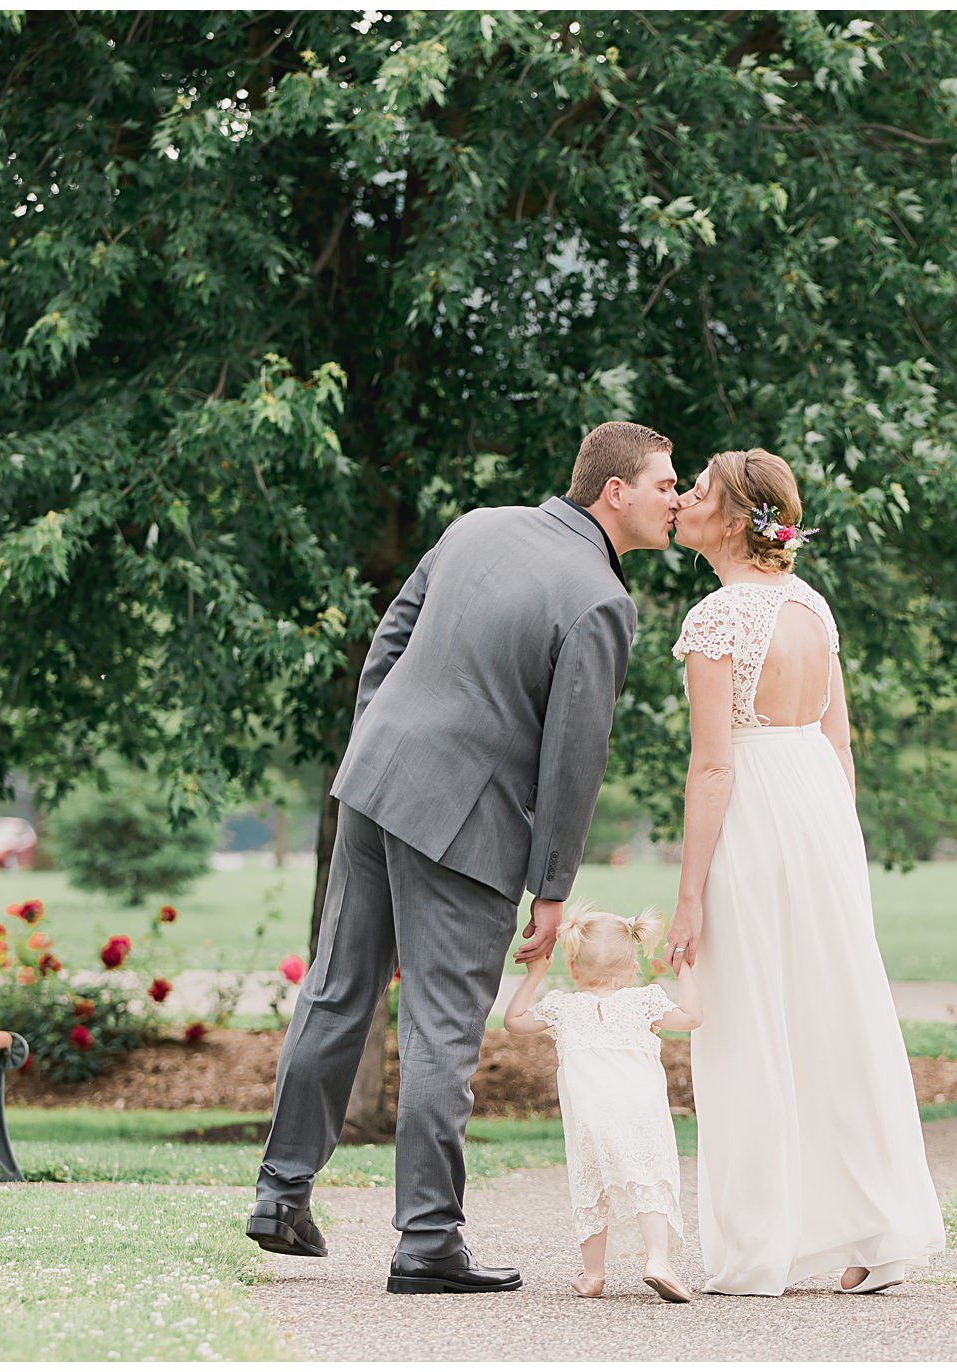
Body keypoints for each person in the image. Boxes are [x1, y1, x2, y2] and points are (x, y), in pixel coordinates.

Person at [246, 422, 680, 1295]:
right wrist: (552, 889)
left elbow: (389, 643)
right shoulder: (601, 601)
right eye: (667, 484)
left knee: (336, 990)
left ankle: (278, 1192)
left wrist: (380, 742)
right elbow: (572, 759)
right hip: (467, 827)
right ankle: (428, 1241)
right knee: (442, 1029)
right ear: (615, 492)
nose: (677, 500)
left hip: (374, 785)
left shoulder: (477, 523)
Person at [666, 448, 947, 1297]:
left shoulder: (715, 621)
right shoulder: (812, 609)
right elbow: (838, 742)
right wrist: (840, 849)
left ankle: (761, 1247)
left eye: (698, 491)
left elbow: (713, 769)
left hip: (752, 813)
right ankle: (874, 1231)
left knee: (749, 1020)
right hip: (820, 813)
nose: (681, 499)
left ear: (734, 519)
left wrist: (687, 896)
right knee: (837, 1018)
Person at [503, 904, 703, 1304]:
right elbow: (692, 1017)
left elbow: (514, 1021)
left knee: (592, 1186)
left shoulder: (564, 1006)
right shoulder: (644, 1002)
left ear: (574, 968)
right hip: (640, 1112)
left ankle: (594, 1275)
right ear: (633, 968)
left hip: (592, 1118)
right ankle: (658, 1261)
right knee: (649, 1177)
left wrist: (536, 975)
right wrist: (683, 969)